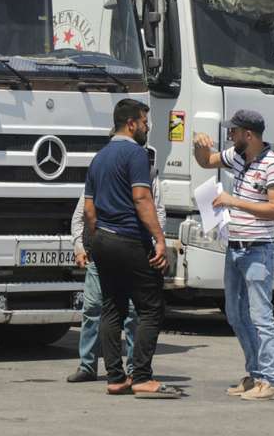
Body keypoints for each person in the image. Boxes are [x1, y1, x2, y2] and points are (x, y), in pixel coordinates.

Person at [83, 99, 180, 398]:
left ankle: (115, 377)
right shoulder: (136, 154)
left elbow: (89, 209)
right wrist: (160, 239)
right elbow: (142, 198)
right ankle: (141, 376)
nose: (147, 127)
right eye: (145, 122)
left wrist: (95, 241)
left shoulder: (98, 158)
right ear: (131, 124)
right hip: (128, 238)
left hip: (103, 239)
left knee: (112, 306)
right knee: (151, 307)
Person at [192, 109, 274, 402]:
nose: (229, 137)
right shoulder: (236, 155)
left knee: (261, 316)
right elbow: (206, 161)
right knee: (235, 314)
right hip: (235, 246)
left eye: (233, 132)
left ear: (249, 134)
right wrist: (198, 145)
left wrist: (235, 201)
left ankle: (272, 381)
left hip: (258, 249)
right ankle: (256, 374)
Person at [66, 143, 166, 383]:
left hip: (112, 247)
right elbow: (83, 212)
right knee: (95, 309)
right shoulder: (110, 174)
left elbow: (158, 212)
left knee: (126, 312)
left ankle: (126, 372)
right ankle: (91, 366)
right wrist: (82, 245)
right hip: (117, 248)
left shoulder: (147, 178)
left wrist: (100, 239)